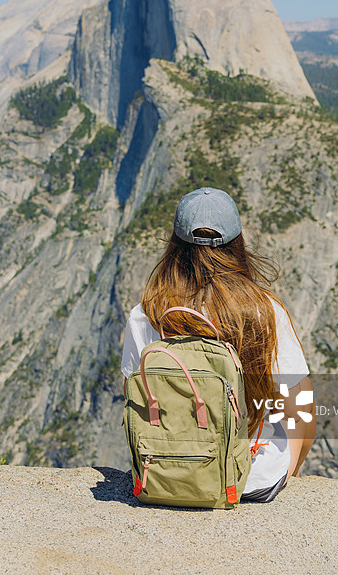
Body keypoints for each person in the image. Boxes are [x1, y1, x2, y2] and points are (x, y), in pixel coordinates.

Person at [121, 186, 316, 502]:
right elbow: (300, 407)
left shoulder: (147, 315)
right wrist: (291, 467)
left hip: (168, 478)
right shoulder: (264, 310)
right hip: (252, 479)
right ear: (237, 245)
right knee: (297, 393)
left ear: (174, 245)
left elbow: (136, 402)